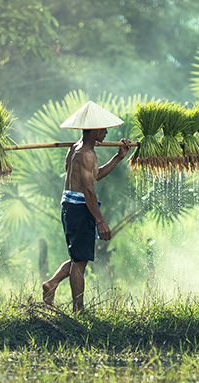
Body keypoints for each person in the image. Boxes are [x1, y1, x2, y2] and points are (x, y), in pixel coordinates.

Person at [42, 101, 131, 313]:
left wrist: (118, 157)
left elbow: (95, 175)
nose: (107, 132)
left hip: (70, 206)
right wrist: (100, 221)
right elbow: (89, 191)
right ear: (94, 130)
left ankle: (51, 284)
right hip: (79, 208)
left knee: (77, 258)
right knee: (80, 264)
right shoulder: (86, 154)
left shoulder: (76, 149)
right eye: (104, 128)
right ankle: (78, 311)